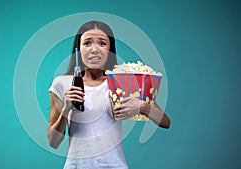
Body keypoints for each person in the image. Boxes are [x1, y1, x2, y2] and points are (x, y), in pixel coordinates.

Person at [47, 21, 171, 169]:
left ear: (110, 49)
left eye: (102, 43)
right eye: (87, 43)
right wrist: (66, 109)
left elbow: (165, 122)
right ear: (78, 50)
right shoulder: (63, 83)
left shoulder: (123, 81)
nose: (94, 49)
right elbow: (53, 142)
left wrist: (143, 106)